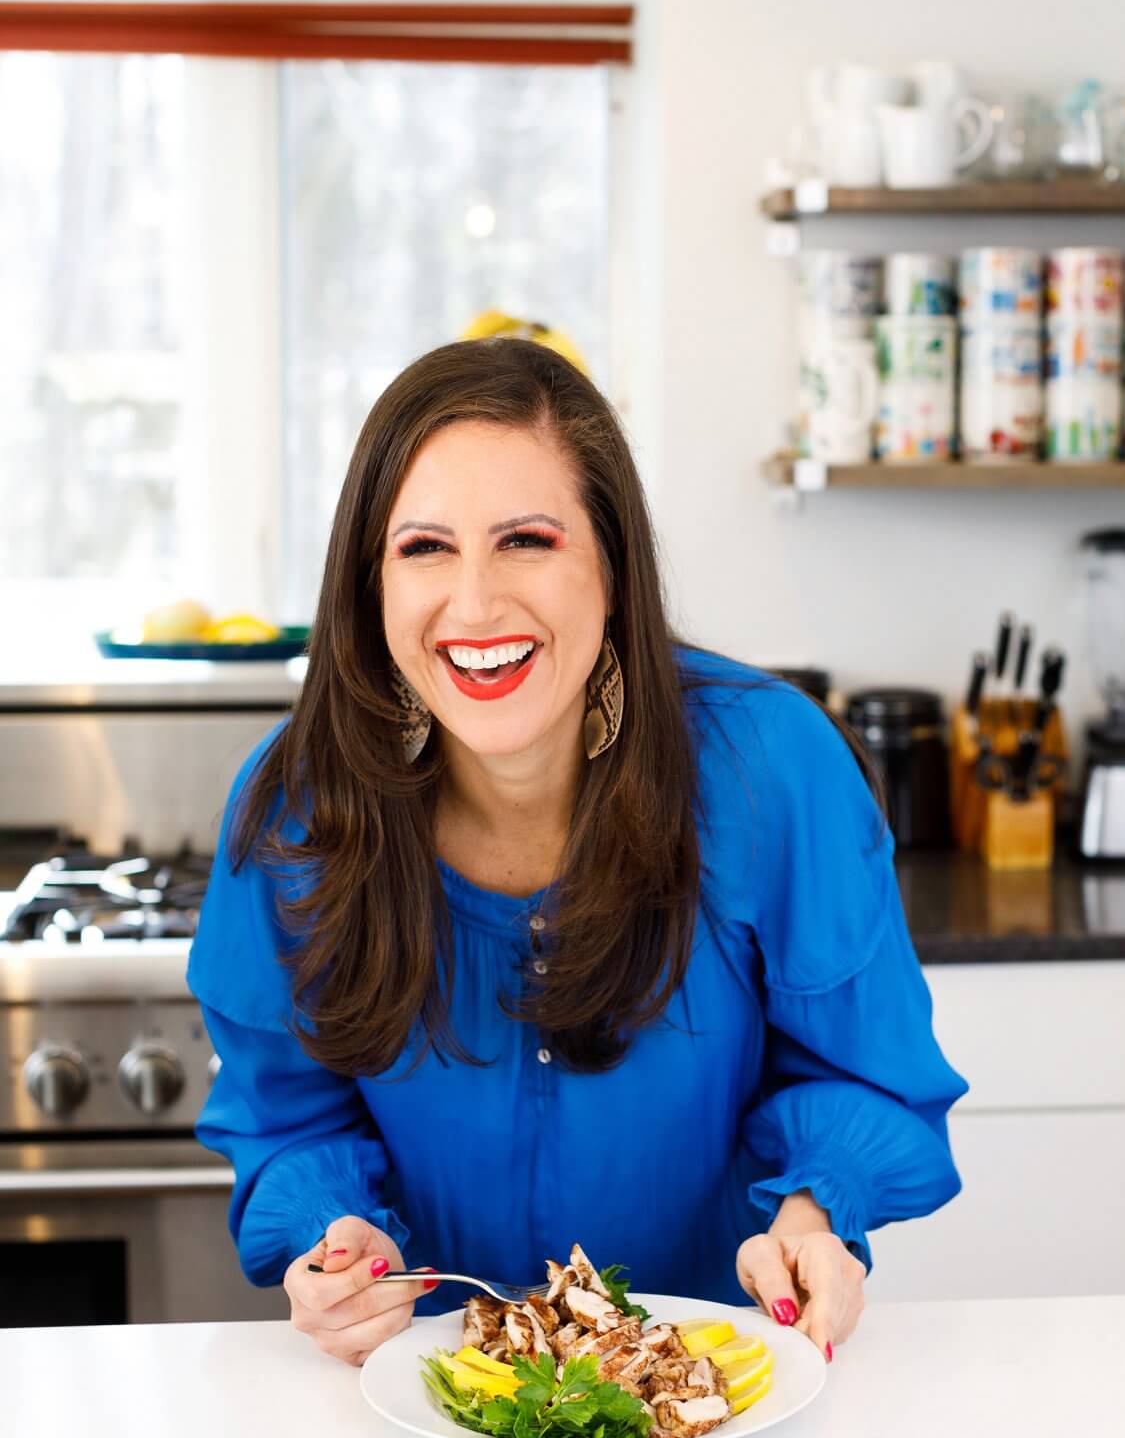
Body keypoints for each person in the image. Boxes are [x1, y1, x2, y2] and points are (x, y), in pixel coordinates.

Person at [188, 337, 967, 1370]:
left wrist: (814, 1215)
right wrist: (333, 1240)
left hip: (714, 1392)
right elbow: (285, 1116)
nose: (473, 606)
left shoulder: (771, 770)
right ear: (369, 588)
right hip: (424, 1400)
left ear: (609, 563)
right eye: (424, 548)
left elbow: (863, 1075)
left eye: (526, 540)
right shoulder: (296, 809)